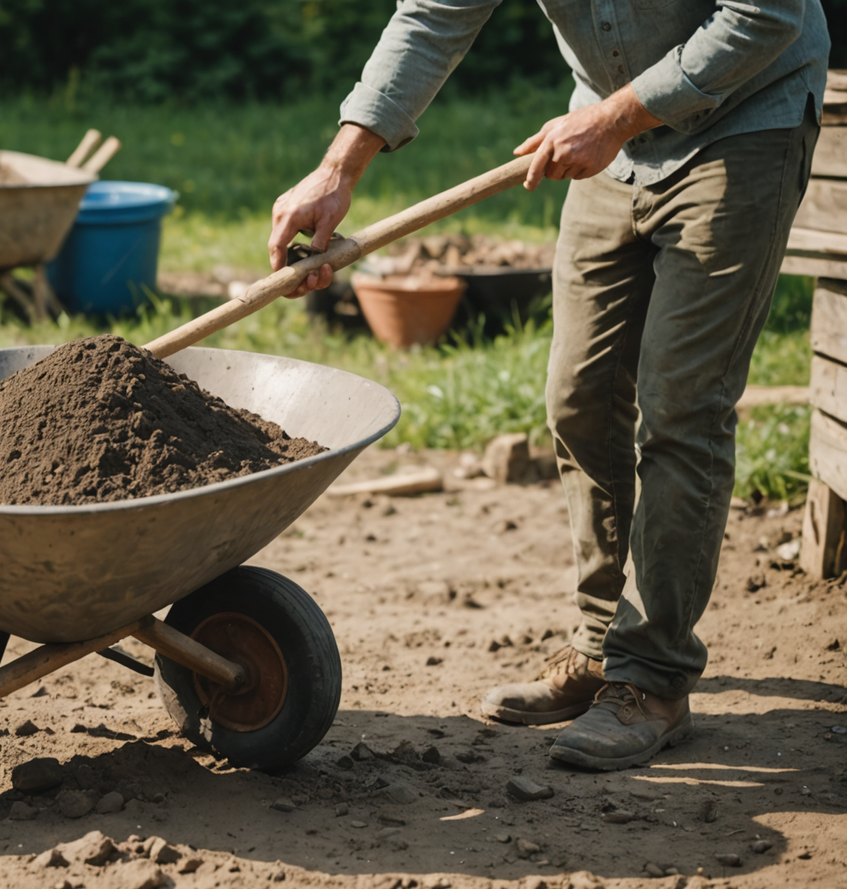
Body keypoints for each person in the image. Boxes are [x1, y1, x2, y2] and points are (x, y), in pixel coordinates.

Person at [270, 1, 827, 770]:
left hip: (743, 123)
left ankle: (654, 680)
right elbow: (434, 15)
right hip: (611, 138)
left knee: (681, 411)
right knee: (579, 394)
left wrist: (616, 119)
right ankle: (603, 648)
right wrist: (338, 170)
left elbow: (767, 14)